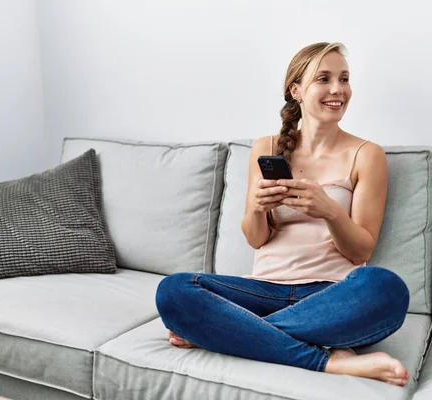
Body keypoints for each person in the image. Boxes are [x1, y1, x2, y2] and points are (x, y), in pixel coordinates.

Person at [156, 42, 411, 386]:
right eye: (324, 79)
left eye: (344, 78)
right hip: (262, 292)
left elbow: (361, 251)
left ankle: (230, 331)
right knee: (174, 290)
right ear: (296, 90)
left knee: (387, 288)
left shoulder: (366, 154)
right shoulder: (267, 148)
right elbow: (256, 238)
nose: (338, 89)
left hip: (330, 298)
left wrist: (330, 211)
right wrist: (260, 208)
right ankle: (329, 361)